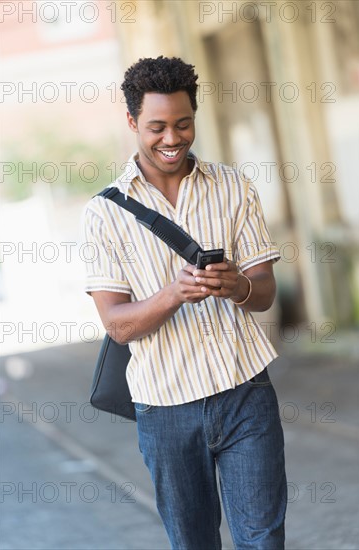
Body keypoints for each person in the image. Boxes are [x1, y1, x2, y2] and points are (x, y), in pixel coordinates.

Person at [83, 56, 287, 550]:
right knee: (193, 543)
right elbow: (117, 325)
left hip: (246, 394)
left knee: (263, 539)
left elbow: (264, 292)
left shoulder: (233, 187)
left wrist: (237, 285)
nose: (171, 138)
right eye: (156, 127)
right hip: (164, 410)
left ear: (195, 116)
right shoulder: (103, 215)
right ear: (133, 123)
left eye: (183, 123)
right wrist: (175, 293)